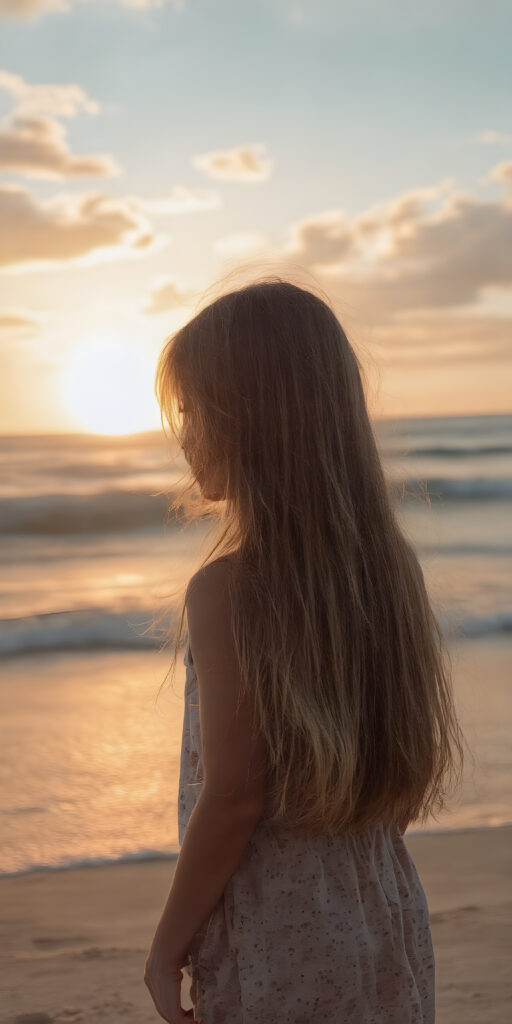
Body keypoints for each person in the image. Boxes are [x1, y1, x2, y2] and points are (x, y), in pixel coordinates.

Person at [144, 276, 465, 1023]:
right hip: (378, 905)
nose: (183, 436)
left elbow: (233, 796)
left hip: (276, 930)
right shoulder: (388, 571)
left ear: (247, 419)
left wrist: (167, 948)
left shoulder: (227, 590)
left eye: (192, 411)